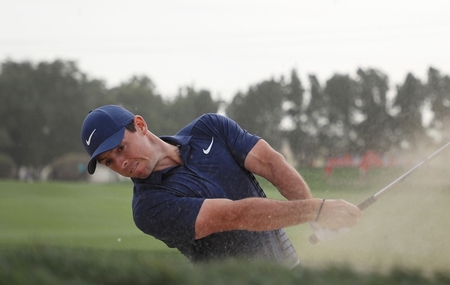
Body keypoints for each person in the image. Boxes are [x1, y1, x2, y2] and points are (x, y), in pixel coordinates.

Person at [80, 105, 362, 265]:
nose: (120, 164)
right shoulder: (149, 207)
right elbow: (236, 215)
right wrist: (316, 210)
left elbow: (271, 164)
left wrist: (317, 219)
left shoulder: (209, 129)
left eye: (120, 148)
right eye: (108, 162)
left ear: (140, 125)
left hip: (287, 265)